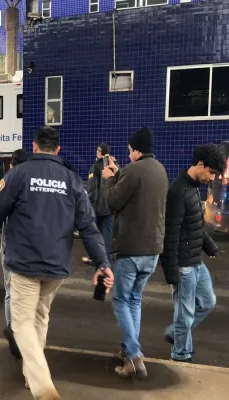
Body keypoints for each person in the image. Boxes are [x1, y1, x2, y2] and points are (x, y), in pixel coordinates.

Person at [0, 127, 112, 400]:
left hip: (25, 266)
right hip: (55, 268)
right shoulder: (72, 180)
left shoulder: (19, 174)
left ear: (34, 147)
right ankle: (31, 376)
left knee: (21, 324)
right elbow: (88, 226)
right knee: (40, 318)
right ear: (58, 150)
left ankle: (44, 389)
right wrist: (102, 262)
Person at [102, 127, 168, 378]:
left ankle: (133, 355)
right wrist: (120, 173)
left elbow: (112, 202)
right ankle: (129, 351)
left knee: (120, 300)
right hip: (153, 249)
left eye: (130, 151)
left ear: (137, 150)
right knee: (134, 300)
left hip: (131, 249)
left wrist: (110, 178)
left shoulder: (133, 170)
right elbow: (137, 193)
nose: (128, 155)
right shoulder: (160, 170)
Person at [160, 144, 224, 363]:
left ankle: (175, 332)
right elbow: (170, 232)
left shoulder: (194, 187)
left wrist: (209, 246)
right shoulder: (178, 191)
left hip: (196, 260)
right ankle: (180, 354)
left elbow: (195, 225)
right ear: (200, 165)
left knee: (208, 302)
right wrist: (171, 270)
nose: (212, 178)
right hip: (183, 265)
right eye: (211, 172)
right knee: (185, 313)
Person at [1, 149, 28, 360]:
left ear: (12, 165)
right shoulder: (31, 184)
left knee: (10, 292)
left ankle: (12, 330)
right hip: (30, 249)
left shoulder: (8, 183)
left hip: (11, 247)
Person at [83, 143, 115, 265]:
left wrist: (90, 205)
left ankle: (94, 257)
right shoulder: (115, 166)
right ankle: (108, 259)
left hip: (98, 207)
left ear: (99, 153)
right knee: (108, 234)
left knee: (95, 233)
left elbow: (92, 189)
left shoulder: (95, 167)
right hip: (111, 206)